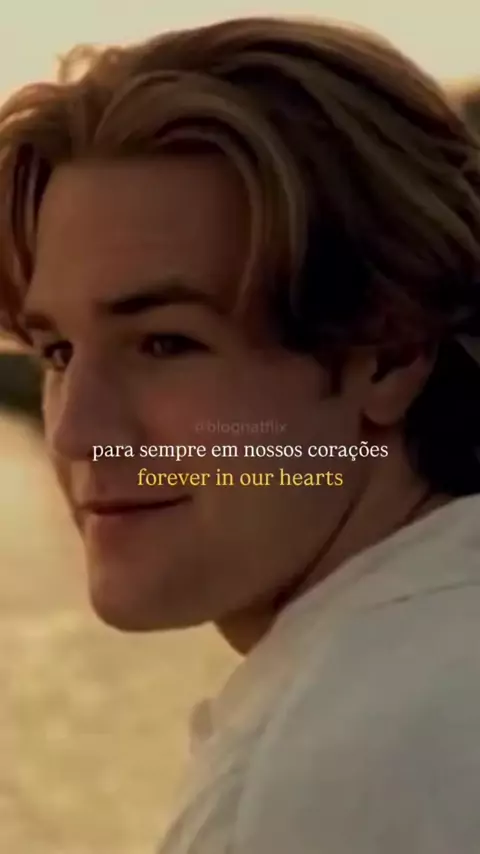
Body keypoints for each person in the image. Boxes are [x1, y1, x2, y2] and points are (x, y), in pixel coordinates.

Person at [0, 15, 480, 853]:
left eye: (166, 344)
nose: (75, 432)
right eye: (59, 352)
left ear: (388, 356)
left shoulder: (334, 775)